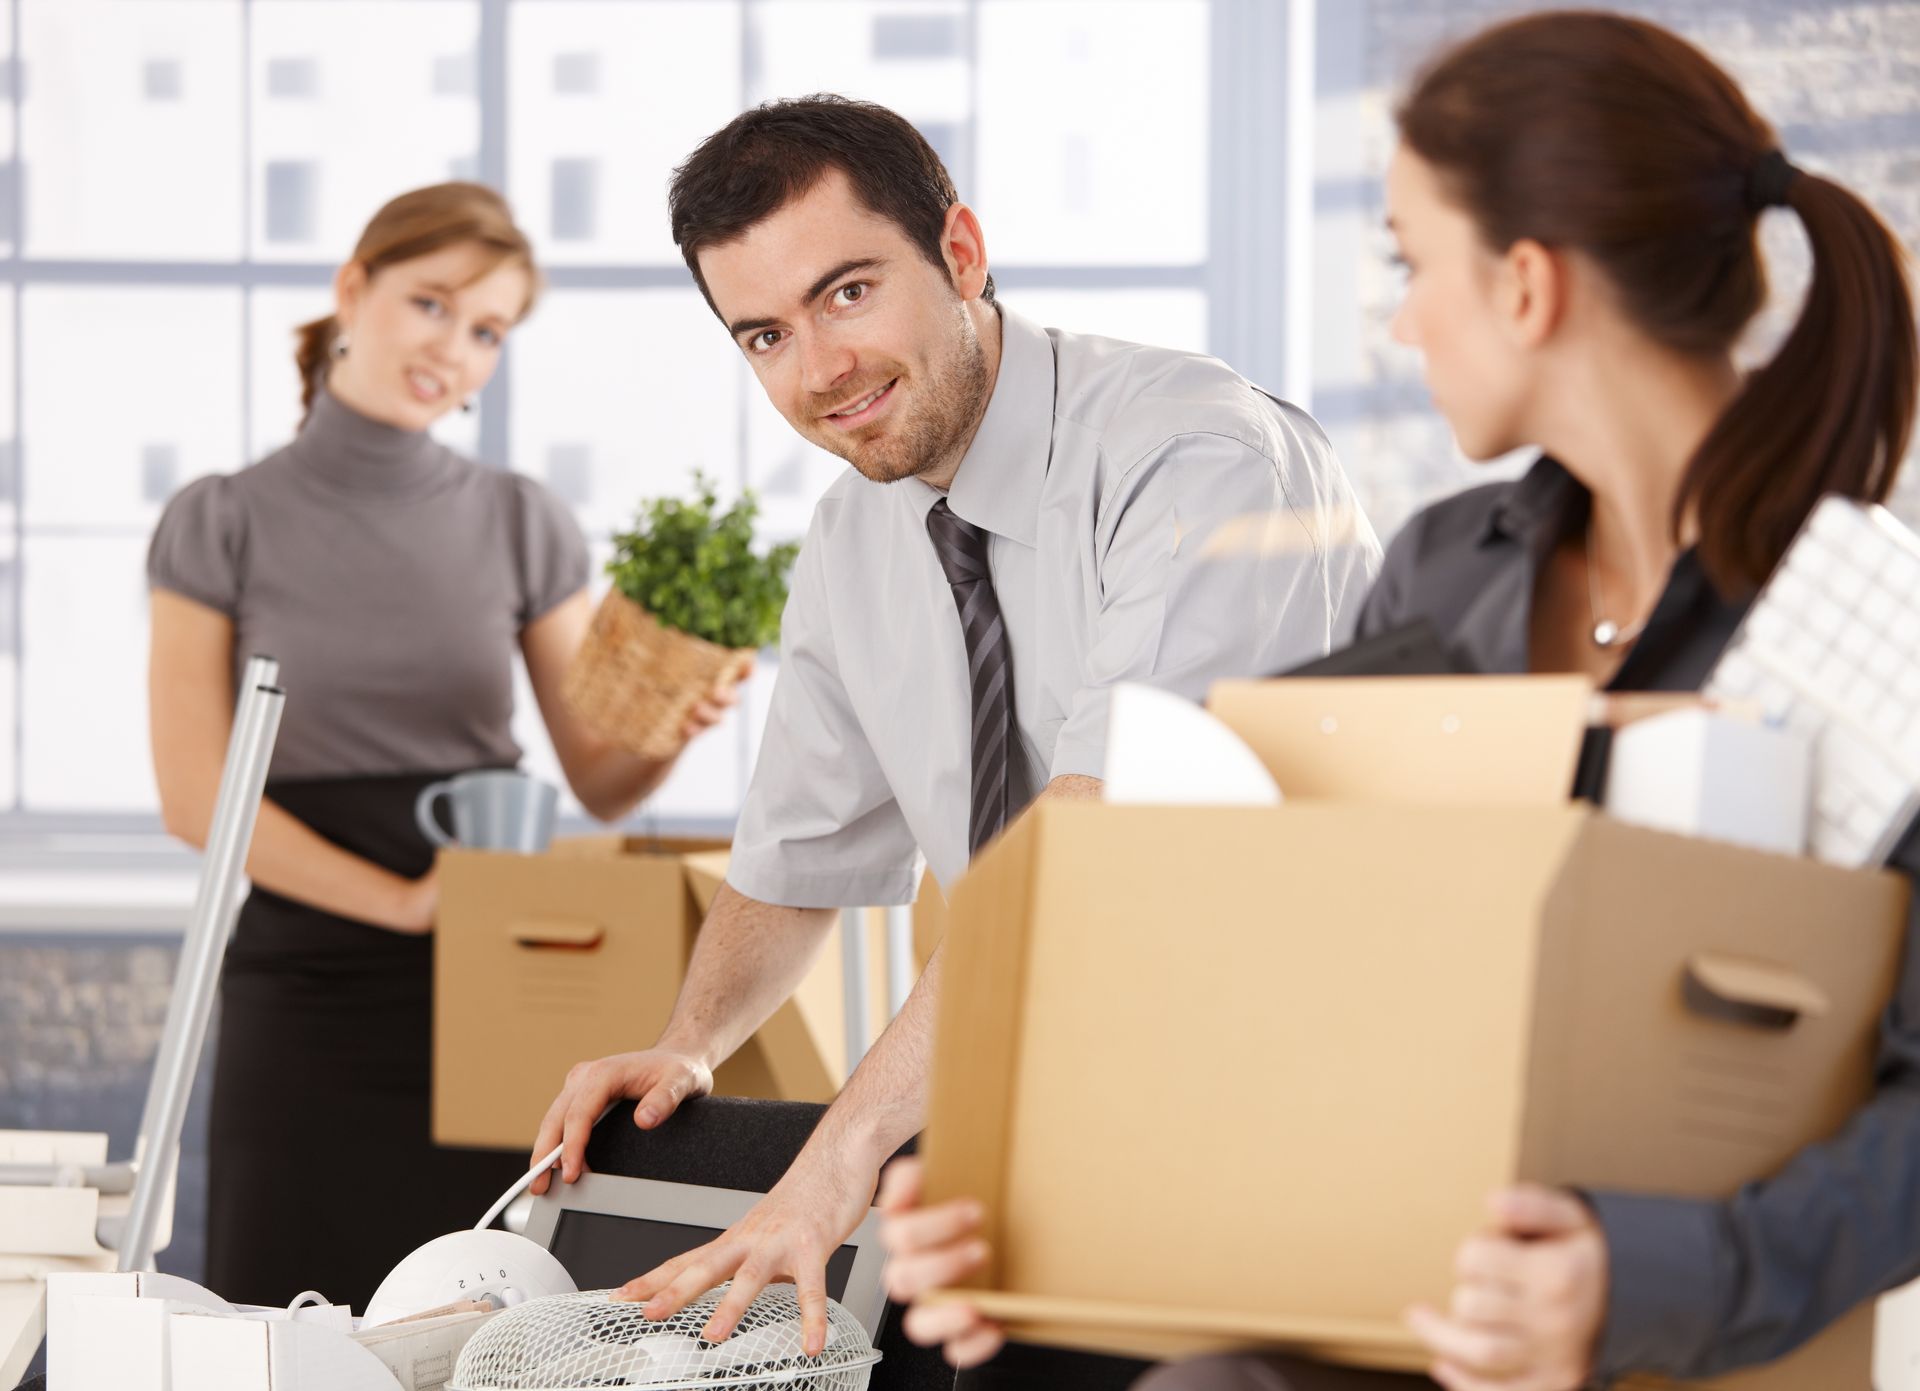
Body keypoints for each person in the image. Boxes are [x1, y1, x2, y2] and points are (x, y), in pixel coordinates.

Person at [876, 11, 1920, 1391]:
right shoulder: (1448, 570)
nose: (1398, 315)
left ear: (1529, 286)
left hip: (1688, 1338)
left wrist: (1641, 1278)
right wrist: (1032, 1175)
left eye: (1410, 261)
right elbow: (1289, 961)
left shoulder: (1877, 630)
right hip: (1389, 1290)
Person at [528, 95, 1382, 1355]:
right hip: (1051, 1119)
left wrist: (845, 1153)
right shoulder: (854, 532)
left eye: (850, 293)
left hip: (1284, 1113)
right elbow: (796, 857)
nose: (821, 369)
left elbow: (1088, 859)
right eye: (765, 332)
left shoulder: (1198, 457)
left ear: (962, 253)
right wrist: (689, 1041)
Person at [147, 182, 739, 1309]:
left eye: (488, 333)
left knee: (499, 1312)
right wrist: (410, 904)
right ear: (351, 290)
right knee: (288, 1312)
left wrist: (674, 726)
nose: (455, 350)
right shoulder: (220, 518)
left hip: (502, 978)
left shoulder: (521, 518)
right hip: (309, 981)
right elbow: (195, 797)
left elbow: (601, 783)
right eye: (432, 305)